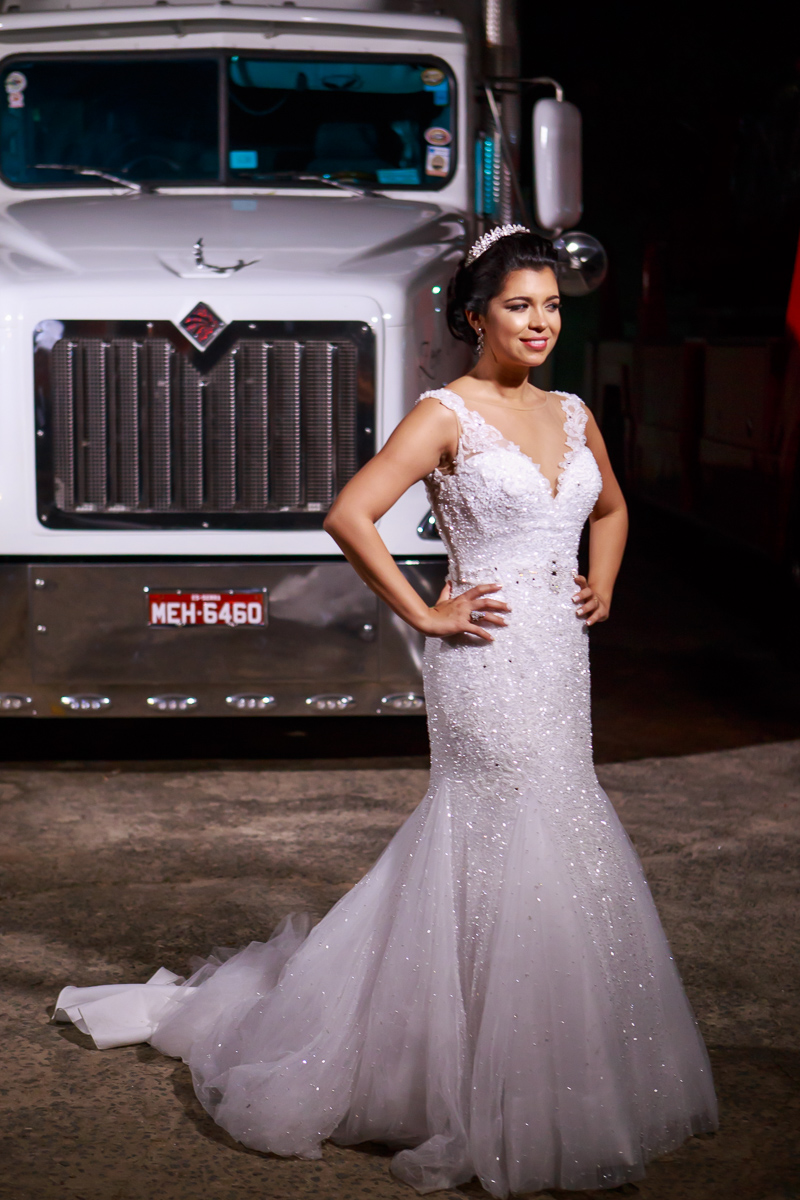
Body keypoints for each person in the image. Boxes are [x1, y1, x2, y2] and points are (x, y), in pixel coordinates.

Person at [54, 226, 718, 1198]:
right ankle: (476, 1076)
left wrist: (602, 583)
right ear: (474, 317)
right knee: (502, 828)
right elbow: (348, 514)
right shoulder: (445, 415)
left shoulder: (574, 413)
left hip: (557, 656)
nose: (539, 323)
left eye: (550, 307)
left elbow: (610, 509)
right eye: (518, 306)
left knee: (558, 823)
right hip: (483, 657)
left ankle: (533, 1060)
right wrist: (424, 612)